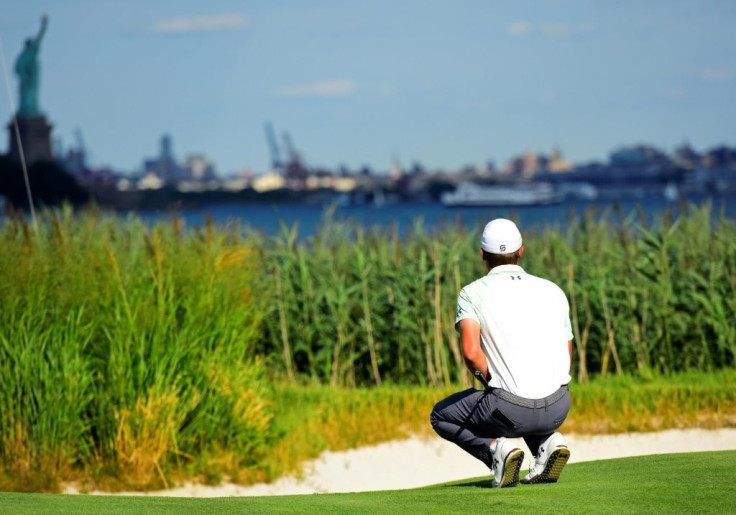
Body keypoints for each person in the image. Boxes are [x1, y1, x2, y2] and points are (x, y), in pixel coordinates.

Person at [430, 218, 573, 488]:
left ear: (482, 255)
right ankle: (547, 441)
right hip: (559, 407)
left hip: (509, 412)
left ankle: (497, 450)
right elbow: (566, 353)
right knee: (523, 392)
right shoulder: (553, 290)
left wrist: (491, 382)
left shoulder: (472, 293)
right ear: (521, 251)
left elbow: (471, 353)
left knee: (440, 415)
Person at [15, 14, 48, 117]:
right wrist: (24, 75)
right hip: (27, 80)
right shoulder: (24, 56)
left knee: (32, 95)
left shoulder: (31, 52)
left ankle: (31, 109)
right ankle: (28, 109)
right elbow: (17, 68)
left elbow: (39, 37)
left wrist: (43, 26)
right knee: (27, 96)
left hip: (32, 78)